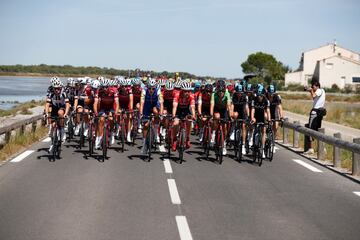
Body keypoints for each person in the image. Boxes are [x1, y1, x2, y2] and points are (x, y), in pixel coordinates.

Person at [210, 79, 232, 155]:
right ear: (217, 90)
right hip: (216, 109)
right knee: (216, 116)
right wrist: (211, 115)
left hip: (224, 110)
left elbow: (229, 106)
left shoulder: (227, 94)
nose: (221, 93)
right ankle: (213, 133)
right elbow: (212, 106)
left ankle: (224, 143)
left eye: (222, 91)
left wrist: (230, 116)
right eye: (219, 91)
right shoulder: (214, 94)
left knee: (225, 127)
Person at [304, 79, 326, 155]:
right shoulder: (321, 91)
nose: (312, 88)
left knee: (310, 129)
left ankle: (311, 149)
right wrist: (309, 90)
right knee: (317, 130)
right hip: (320, 113)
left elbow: (313, 96)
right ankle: (322, 147)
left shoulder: (319, 90)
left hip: (315, 112)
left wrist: (310, 91)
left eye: (313, 87)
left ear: (317, 86)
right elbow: (314, 97)